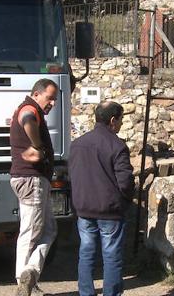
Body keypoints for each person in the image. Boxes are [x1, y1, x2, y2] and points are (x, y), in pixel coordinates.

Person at [68, 101, 134, 296]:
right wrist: (126, 200)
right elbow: (125, 181)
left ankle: (86, 293)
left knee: (86, 253)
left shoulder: (77, 144)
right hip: (110, 210)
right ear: (113, 120)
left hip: (84, 209)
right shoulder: (117, 146)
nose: (121, 124)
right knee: (112, 256)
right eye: (121, 120)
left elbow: (73, 175)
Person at [10, 78, 59, 296]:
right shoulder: (30, 107)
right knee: (31, 232)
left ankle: (30, 275)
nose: (53, 103)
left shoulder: (30, 108)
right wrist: (38, 146)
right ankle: (23, 280)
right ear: (37, 94)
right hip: (31, 180)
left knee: (49, 230)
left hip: (35, 179)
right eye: (50, 98)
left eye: (55, 99)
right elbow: (27, 119)